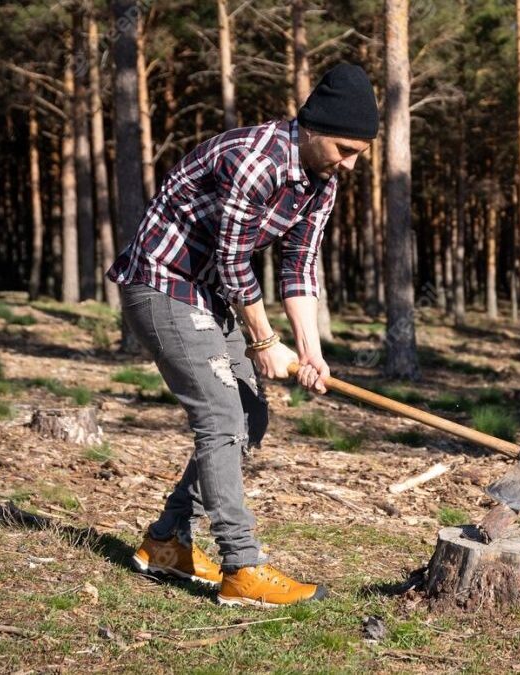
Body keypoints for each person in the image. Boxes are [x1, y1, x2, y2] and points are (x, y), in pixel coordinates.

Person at [106, 64, 376, 608]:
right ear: (312, 128)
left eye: (359, 154)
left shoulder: (321, 180)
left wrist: (310, 352)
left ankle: (166, 542)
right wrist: (262, 341)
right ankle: (241, 566)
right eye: (344, 149)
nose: (349, 164)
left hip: (210, 291)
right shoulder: (256, 161)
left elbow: (299, 265)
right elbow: (234, 262)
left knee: (251, 415)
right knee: (222, 419)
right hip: (162, 284)